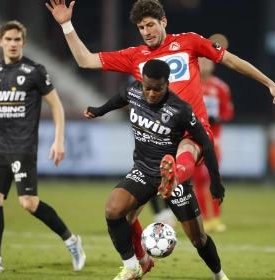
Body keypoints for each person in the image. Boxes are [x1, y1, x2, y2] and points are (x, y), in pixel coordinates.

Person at [46, 0, 275, 275]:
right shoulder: (134, 56)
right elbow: (85, 60)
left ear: (164, 22)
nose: (146, 31)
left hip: (191, 134)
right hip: (155, 151)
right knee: (123, 216)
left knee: (186, 148)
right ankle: (140, 262)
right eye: (141, 27)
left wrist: (270, 83)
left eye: (150, 24)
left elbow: (231, 60)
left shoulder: (190, 42)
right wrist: (66, 24)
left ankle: (173, 176)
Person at [85, 59, 229, 280]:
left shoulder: (180, 109)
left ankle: (218, 275)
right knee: (114, 210)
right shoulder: (134, 91)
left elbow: (205, 143)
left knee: (198, 238)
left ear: (167, 84)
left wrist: (216, 182)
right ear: (141, 82)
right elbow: (118, 99)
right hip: (143, 171)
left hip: (172, 178)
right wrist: (98, 111)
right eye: (147, 87)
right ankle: (132, 266)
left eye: (157, 89)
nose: (151, 93)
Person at [0, 20, 85, 273]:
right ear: (0, 42)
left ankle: (72, 240)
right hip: (0, 146)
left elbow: (56, 105)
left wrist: (59, 139)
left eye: (17, 40)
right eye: (8, 39)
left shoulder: (35, 71)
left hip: (23, 147)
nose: (12, 44)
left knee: (29, 203)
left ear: (23, 43)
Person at [192, 57, 234, 233]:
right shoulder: (190, 85)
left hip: (213, 138)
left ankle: (216, 218)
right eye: (200, 62)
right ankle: (205, 218)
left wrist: (219, 118)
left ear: (213, 65)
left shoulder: (221, 87)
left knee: (213, 177)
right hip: (193, 138)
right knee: (197, 179)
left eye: (207, 62)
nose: (204, 66)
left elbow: (229, 111)